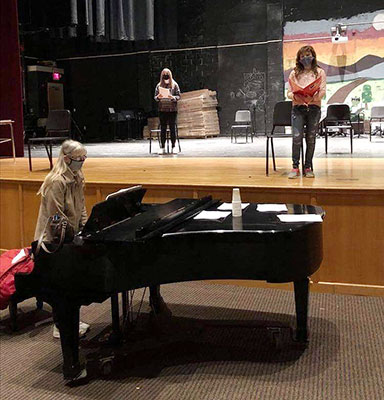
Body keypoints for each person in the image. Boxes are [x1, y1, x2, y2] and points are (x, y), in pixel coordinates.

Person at [34, 139, 90, 339]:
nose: (82, 161)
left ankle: (70, 320)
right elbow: (55, 217)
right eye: (78, 158)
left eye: (84, 157)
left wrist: (86, 228)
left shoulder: (77, 175)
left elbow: (81, 206)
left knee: (74, 282)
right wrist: (70, 238)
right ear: (66, 159)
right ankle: (61, 326)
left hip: (70, 236)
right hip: (53, 241)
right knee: (61, 284)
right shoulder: (56, 181)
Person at [287, 45, 326, 179]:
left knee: (311, 139)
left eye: (308, 55)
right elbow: (289, 92)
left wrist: (313, 97)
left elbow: (322, 91)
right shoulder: (294, 73)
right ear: (299, 58)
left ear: (313, 56)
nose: (305, 58)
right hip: (298, 108)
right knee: (296, 138)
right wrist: (295, 96)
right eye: (302, 56)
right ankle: (295, 166)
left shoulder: (320, 72)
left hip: (314, 108)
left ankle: (308, 167)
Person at [154, 68, 181, 154]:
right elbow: (155, 97)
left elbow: (179, 96)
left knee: (172, 128)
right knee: (163, 129)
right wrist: (158, 97)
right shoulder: (159, 86)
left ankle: (173, 146)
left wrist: (173, 97)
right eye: (164, 75)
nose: (166, 76)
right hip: (162, 110)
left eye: (167, 74)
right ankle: (162, 147)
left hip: (172, 110)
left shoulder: (174, 85)